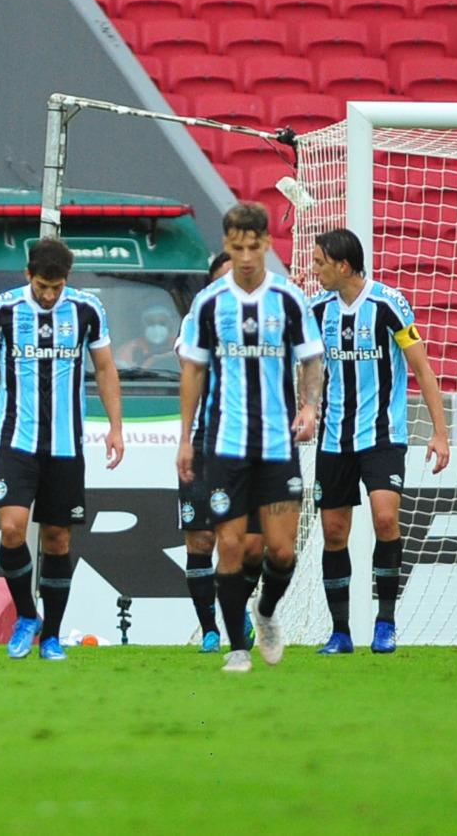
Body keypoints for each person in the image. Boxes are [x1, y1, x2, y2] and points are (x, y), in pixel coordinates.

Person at [177, 203, 324, 673]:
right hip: (225, 446)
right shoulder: (209, 303)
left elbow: (312, 359)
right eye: (236, 248)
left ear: (266, 245)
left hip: (277, 446)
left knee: (279, 551)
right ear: (226, 244)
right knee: (231, 546)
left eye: (252, 247)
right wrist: (185, 438)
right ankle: (238, 648)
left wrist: (308, 406)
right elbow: (193, 371)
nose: (244, 257)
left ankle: (265, 611)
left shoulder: (288, 299)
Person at [0, 238, 124, 661]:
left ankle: (51, 636)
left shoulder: (87, 309)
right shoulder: (3, 309)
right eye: (42, 286)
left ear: (66, 280)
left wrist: (116, 427)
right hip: (16, 441)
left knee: (57, 539)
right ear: (28, 275)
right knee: (12, 528)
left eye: (57, 287)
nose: (49, 295)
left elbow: (105, 367)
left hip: (66, 446)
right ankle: (26, 616)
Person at [309, 228, 449, 655]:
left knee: (386, 520)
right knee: (334, 532)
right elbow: (303, 362)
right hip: (334, 438)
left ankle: (385, 623)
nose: (315, 271)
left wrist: (440, 433)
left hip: (383, 435)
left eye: (320, 263)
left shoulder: (389, 304)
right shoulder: (317, 310)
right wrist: (305, 405)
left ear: (343, 266)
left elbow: (421, 368)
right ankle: (340, 632)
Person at [174, 253, 263, 653]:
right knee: (200, 540)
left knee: (252, 545)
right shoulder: (196, 320)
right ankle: (210, 630)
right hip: (206, 441)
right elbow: (190, 361)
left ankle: (237, 607)